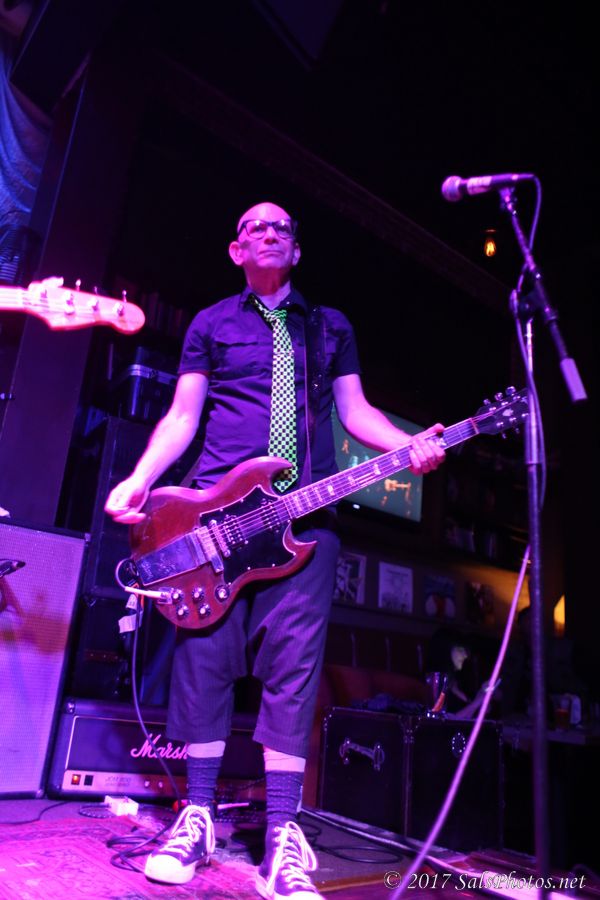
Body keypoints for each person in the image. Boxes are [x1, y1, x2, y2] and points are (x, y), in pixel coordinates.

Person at [104, 201, 446, 899]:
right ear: (236, 250)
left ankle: (283, 839)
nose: (269, 233)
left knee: (294, 672)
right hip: (215, 519)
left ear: (297, 251)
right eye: (255, 227)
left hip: (303, 520)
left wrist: (408, 446)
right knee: (204, 661)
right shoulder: (210, 324)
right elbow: (183, 415)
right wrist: (140, 478)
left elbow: (355, 412)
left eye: (282, 228)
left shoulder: (330, 326)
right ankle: (197, 817)